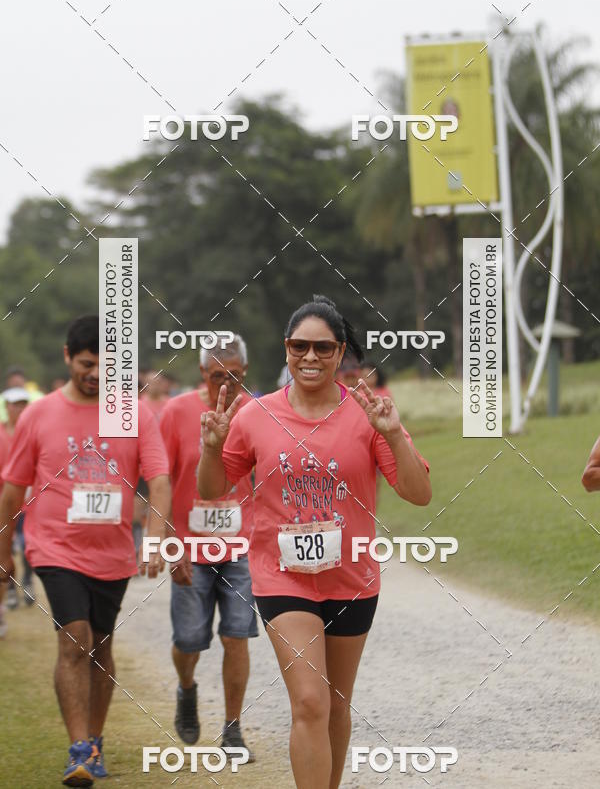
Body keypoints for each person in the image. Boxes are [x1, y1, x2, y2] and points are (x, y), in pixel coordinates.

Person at [197, 295, 431, 789]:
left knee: (335, 705)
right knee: (310, 701)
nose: (310, 357)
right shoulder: (256, 415)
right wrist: (213, 449)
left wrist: (392, 436)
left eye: (322, 348)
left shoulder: (368, 414)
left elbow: (418, 493)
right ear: (285, 349)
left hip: (351, 582)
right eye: (299, 345)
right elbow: (212, 488)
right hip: (282, 579)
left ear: (340, 352)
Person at [0, 315, 171, 787]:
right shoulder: (38, 415)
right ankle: (79, 748)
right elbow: (12, 492)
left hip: (112, 553)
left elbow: (158, 480)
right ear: (67, 357)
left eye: (107, 367)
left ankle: (94, 742)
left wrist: (155, 538)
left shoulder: (135, 413)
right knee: (74, 636)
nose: (96, 375)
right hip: (53, 547)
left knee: (100, 646)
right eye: (86, 364)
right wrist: (4, 551)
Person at [160, 335, 257, 759]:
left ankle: (233, 730)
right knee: (189, 640)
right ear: (202, 373)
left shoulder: (257, 411)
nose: (227, 385)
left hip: (241, 545)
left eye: (234, 376)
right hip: (189, 547)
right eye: (218, 376)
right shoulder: (176, 411)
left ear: (245, 372)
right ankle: (186, 689)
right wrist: (167, 544)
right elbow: (158, 480)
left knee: (237, 636)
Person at [0, 387, 33, 616]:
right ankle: (10, 588)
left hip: (30, 502)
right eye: (15, 404)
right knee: (6, 546)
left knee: (28, 545)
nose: (19, 409)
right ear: (6, 407)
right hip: (5, 501)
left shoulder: (34, 431)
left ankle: (28, 581)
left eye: (23, 404)